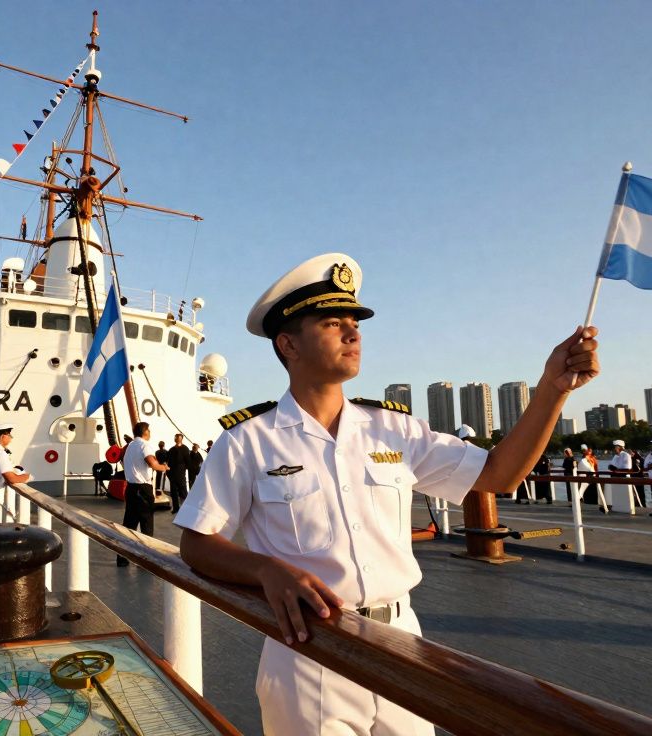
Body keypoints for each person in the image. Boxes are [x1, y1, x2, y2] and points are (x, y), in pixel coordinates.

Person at [173, 253, 600, 736]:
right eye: (333, 323)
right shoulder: (249, 440)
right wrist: (265, 569)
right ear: (287, 343)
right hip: (309, 647)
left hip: (402, 639)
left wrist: (553, 389)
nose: (353, 334)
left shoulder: (396, 429)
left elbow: (498, 474)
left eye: (354, 323)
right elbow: (196, 542)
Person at [118, 421, 169, 567]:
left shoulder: (130, 447)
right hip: (143, 490)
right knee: (146, 524)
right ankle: (146, 560)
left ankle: (122, 558)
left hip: (131, 489)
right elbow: (152, 463)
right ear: (145, 431)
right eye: (149, 430)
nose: (150, 433)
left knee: (129, 524)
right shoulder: (144, 445)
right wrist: (163, 467)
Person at [165, 433, 192, 513]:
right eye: (175, 438)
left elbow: (188, 462)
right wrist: (168, 472)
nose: (176, 439)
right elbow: (168, 461)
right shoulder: (171, 449)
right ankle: (176, 508)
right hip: (172, 474)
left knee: (183, 492)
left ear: (181, 439)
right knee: (173, 493)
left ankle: (187, 509)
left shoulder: (185, 449)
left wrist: (182, 469)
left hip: (180, 474)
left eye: (177, 438)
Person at [605, 440, 633, 512]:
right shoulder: (616, 456)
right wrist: (614, 468)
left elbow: (627, 469)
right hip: (616, 478)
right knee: (617, 496)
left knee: (624, 497)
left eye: (615, 447)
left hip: (624, 479)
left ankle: (626, 510)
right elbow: (610, 467)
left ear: (620, 447)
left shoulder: (626, 455)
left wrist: (615, 469)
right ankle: (616, 507)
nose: (614, 449)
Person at [578, 445, 605, 512]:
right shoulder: (586, 458)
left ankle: (599, 504)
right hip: (588, 476)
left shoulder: (591, 458)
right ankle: (581, 498)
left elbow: (592, 468)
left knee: (595, 492)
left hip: (592, 477)